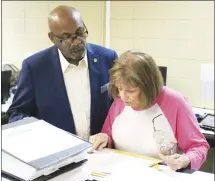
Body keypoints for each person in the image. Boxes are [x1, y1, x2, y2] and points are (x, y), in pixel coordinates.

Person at [7, 5, 117, 140]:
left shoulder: (107, 58)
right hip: (56, 152)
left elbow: (120, 105)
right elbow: (17, 113)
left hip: (102, 151)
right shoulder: (34, 67)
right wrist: (40, 133)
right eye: (67, 37)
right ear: (52, 38)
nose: (77, 42)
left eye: (80, 32)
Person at [89, 50, 209, 170]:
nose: (123, 96)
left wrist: (186, 160)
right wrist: (104, 138)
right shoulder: (120, 101)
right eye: (120, 88)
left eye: (131, 91)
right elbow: (109, 135)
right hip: (121, 174)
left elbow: (198, 146)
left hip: (162, 179)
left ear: (148, 87)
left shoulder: (175, 102)